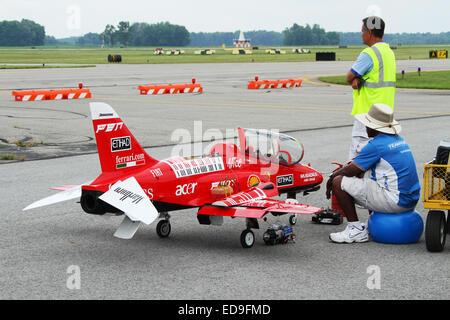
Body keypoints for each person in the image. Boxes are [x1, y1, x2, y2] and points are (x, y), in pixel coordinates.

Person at [326, 103, 420, 243]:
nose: (365, 127)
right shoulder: (398, 140)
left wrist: (331, 178)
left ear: (375, 128)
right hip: (411, 200)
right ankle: (370, 221)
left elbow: (350, 170)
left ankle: (355, 229)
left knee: (339, 182)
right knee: (367, 174)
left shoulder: (376, 145)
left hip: (396, 202)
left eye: (367, 124)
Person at [346, 16, 397, 160]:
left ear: (369, 32)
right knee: (380, 160)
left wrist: (356, 78)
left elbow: (349, 76)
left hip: (367, 118)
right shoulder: (389, 53)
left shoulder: (369, 54)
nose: (361, 34)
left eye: (362, 30)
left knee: (358, 161)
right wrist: (359, 77)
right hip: (385, 117)